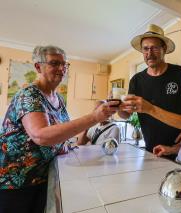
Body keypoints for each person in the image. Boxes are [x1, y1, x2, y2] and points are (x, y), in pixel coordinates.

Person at [0, 45, 119, 213]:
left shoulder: (59, 99)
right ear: (38, 67)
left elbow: (64, 135)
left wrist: (90, 122)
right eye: (55, 63)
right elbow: (41, 136)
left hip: (43, 176)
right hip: (16, 182)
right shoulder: (29, 94)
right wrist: (94, 117)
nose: (62, 69)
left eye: (65, 64)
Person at [118, 24, 181, 160]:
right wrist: (117, 106)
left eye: (154, 48)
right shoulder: (136, 80)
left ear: (164, 49)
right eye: (145, 49)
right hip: (150, 150)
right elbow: (126, 115)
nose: (149, 53)